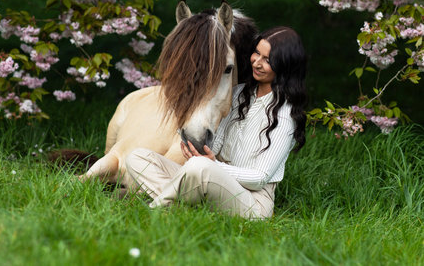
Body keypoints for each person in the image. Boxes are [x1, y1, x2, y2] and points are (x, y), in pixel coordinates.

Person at [125, 26, 308, 219]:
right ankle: (182, 207)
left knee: (198, 167)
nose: (257, 62)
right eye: (256, 53)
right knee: (137, 158)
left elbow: (259, 179)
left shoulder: (286, 114)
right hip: (212, 179)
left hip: (252, 201)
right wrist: (199, 149)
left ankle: (157, 207)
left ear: (285, 66)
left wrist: (212, 165)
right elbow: (217, 145)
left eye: (268, 60)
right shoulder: (239, 94)